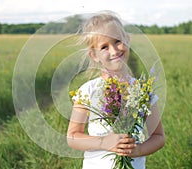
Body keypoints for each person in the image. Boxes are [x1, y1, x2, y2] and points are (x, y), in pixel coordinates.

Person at [67, 11, 165, 169]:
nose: (114, 51)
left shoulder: (143, 91)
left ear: (128, 40)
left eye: (118, 41)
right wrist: (104, 142)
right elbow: (72, 137)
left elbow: (158, 137)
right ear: (94, 55)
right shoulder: (88, 91)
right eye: (104, 47)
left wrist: (138, 150)